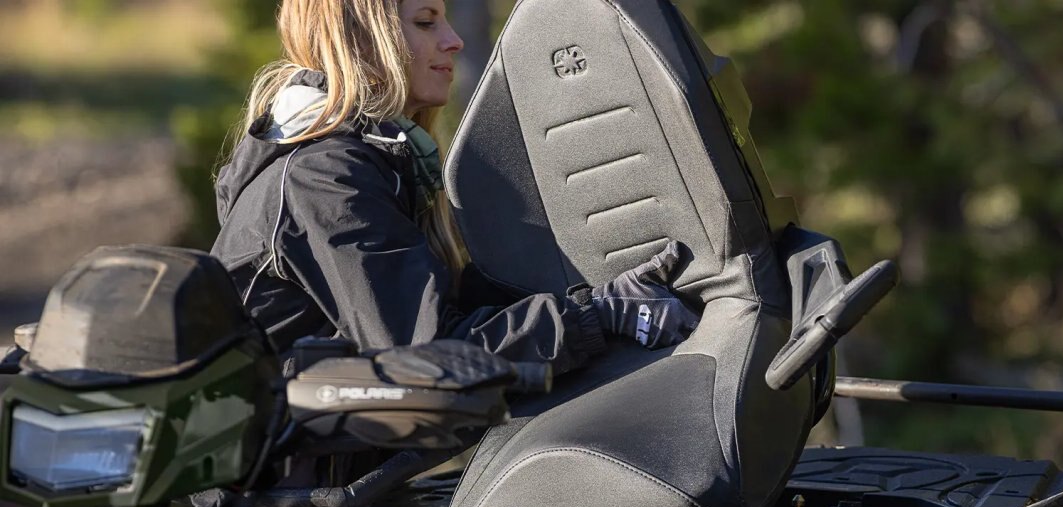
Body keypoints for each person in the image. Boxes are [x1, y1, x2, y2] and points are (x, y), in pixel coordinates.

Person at [211, 0, 699, 373]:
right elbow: (427, 359)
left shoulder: (367, 162)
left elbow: (444, 315)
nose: (454, 41)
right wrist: (599, 316)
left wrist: (590, 294)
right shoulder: (323, 178)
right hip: (296, 466)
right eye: (426, 22)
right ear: (361, 38)